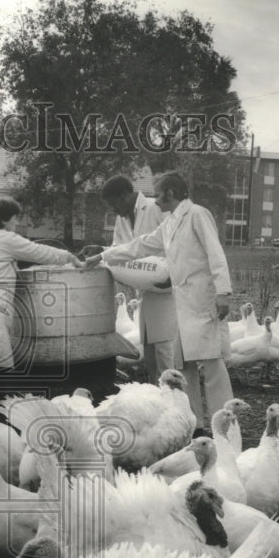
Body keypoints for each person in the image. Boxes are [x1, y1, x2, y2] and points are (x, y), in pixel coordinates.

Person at [85, 172, 234, 426]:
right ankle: (194, 424)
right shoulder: (170, 223)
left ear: (171, 193)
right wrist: (103, 256)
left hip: (202, 300)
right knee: (184, 366)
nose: (155, 200)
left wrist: (223, 292)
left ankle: (226, 425)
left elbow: (215, 252)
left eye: (159, 192)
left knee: (211, 366)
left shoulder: (197, 214)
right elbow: (139, 246)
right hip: (181, 303)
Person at [0, 196, 84, 383]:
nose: (17, 223)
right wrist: (69, 257)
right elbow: (39, 251)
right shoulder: (5, 238)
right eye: (15, 218)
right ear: (3, 220)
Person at [96, 175, 179, 384]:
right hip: (146, 292)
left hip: (169, 292)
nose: (114, 211)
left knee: (166, 354)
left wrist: (173, 275)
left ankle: (177, 404)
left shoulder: (156, 208)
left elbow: (178, 245)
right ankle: (157, 402)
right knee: (150, 355)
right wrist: (101, 253)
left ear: (124, 195)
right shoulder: (122, 218)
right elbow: (120, 250)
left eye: (114, 204)